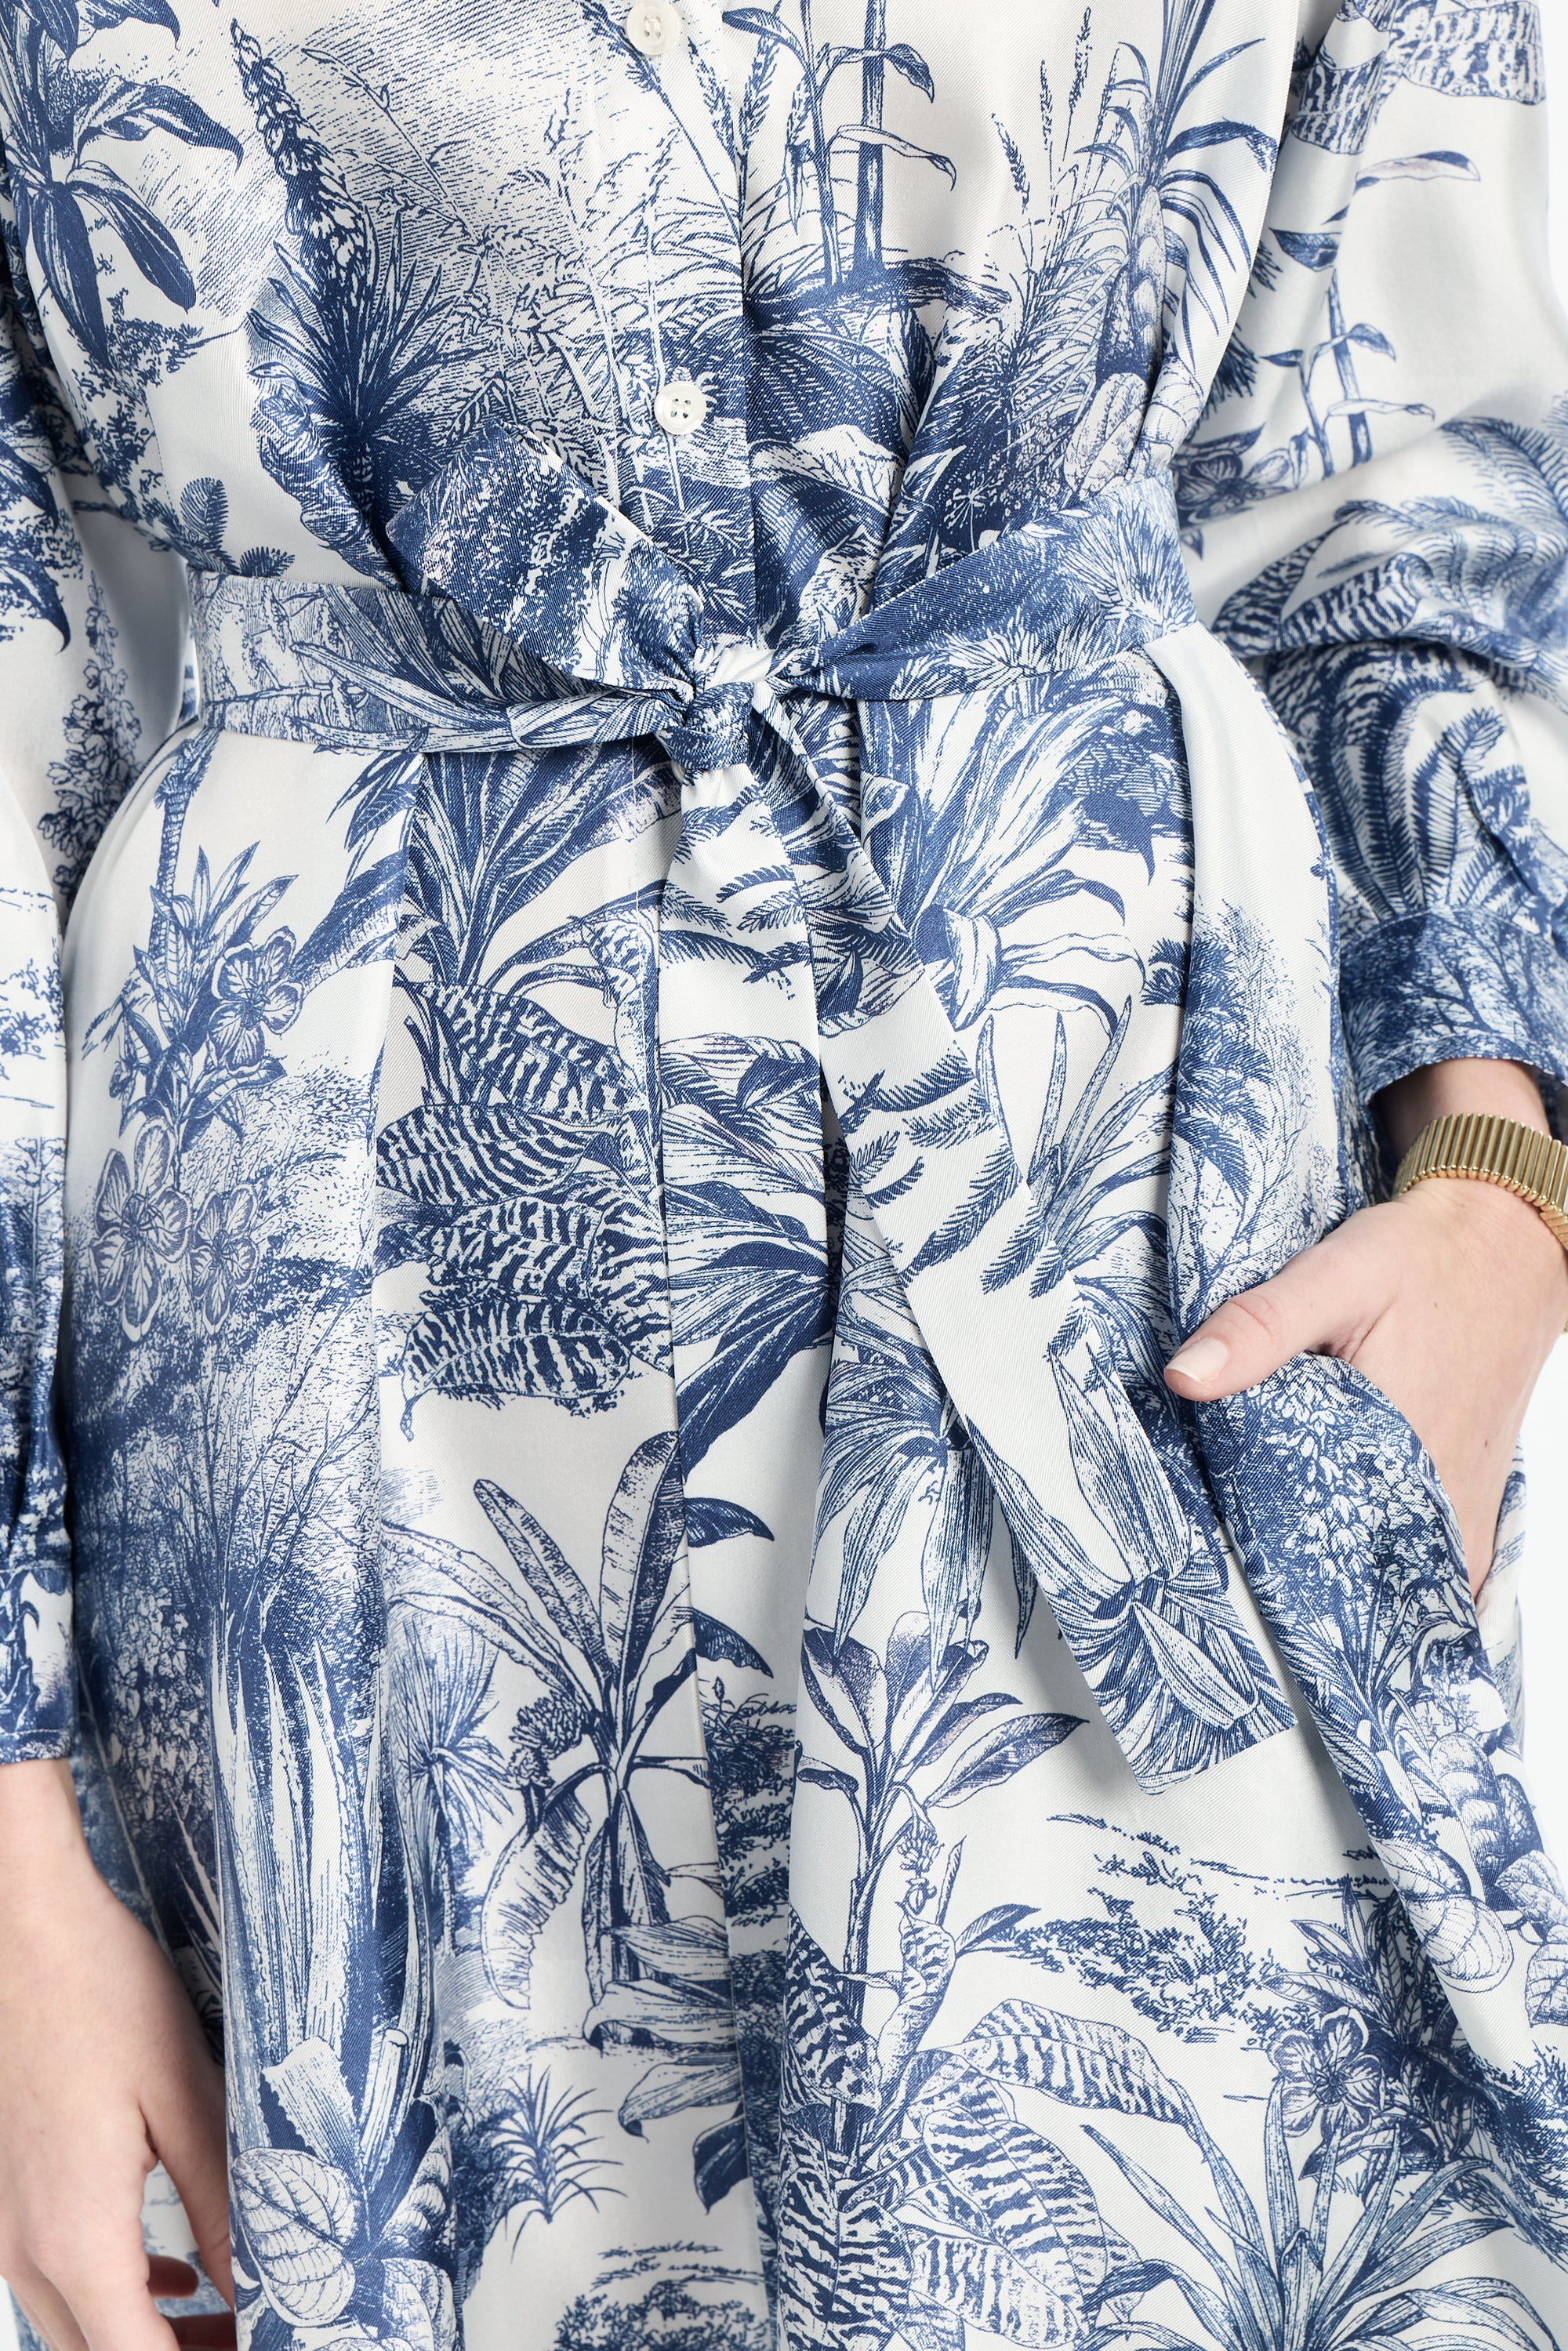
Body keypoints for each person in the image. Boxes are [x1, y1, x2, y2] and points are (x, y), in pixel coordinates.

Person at [3, 2, 1568, 2346]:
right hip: (351, 1360)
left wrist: (1493, 1178)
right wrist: (9, 1844)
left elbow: (1414, 487)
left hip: (1128, 1286)